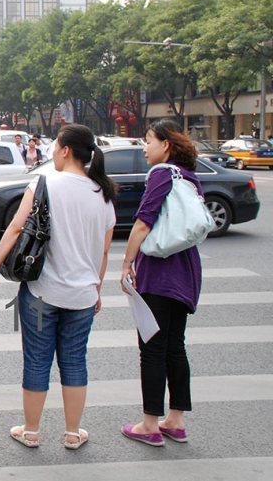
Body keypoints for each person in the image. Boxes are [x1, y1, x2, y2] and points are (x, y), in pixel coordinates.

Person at [0, 124, 116, 450]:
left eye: (56, 147)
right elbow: (104, 251)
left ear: (66, 150)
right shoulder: (104, 195)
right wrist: (96, 291)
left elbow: (15, 228)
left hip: (42, 293)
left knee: (38, 360)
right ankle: (72, 433)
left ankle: (31, 431)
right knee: (75, 362)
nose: (53, 152)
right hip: (82, 296)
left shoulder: (44, 183)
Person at [120, 119, 204, 447]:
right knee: (175, 345)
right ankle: (177, 421)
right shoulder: (191, 177)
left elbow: (143, 223)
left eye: (148, 141)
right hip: (186, 271)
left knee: (152, 347)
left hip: (158, 272)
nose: (144, 147)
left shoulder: (161, 174)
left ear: (165, 145)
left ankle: (150, 424)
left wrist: (127, 262)